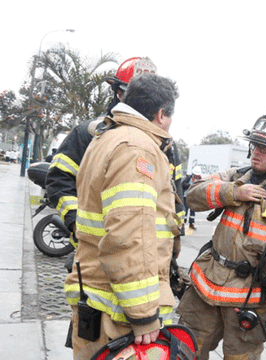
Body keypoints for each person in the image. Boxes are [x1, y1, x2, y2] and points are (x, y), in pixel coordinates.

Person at [177, 112, 266, 360]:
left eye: (265, 148)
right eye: (255, 146)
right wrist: (233, 192)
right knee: (188, 349)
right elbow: (193, 195)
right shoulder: (235, 177)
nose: (256, 153)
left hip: (250, 297)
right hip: (206, 285)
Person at [64, 73, 180, 359]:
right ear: (161, 114)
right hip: (118, 312)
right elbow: (129, 235)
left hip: (98, 295)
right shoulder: (137, 148)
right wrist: (143, 315)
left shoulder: (109, 137)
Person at [46, 57, 186, 255]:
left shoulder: (167, 146)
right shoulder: (91, 134)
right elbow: (59, 179)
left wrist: (173, 244)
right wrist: (76, 224)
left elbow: (175, 197)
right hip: (97, 256)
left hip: (153, 259)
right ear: (119, 93)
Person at [182, 165, 203, 230]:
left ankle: (191, 223)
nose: (196, 176)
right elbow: (183, 184)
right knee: (185, 210)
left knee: (193, 211)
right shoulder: (188, 178)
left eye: (197, 175)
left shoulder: (200, 180)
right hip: (187, 197)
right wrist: (190, 185)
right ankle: (183, 223)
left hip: (194, 198)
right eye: (195, 174)